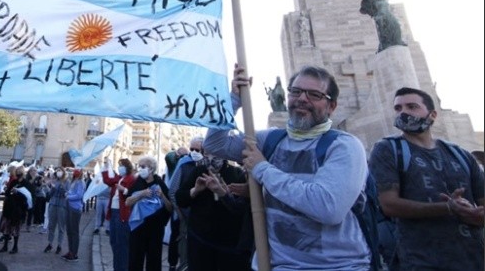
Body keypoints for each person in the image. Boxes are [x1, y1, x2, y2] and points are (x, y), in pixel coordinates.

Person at [204, 64, 371, 270]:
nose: (302, 98)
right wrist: (233, 99)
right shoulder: (270, 139)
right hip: (278, 265)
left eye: (314, 94)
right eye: (296, 91)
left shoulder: (345, 146)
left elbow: (328, 208)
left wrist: (263, 169)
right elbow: (215, 144)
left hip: (338, 266)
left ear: (331, 106)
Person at [369, 87, 485, 271]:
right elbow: (389, 204)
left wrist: (478, 216)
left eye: (412, 106)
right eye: (398, 108)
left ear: (432, 115)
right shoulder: (388, 150)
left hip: (473, 259)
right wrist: (447, 208)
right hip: (421, 261)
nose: (404, 112)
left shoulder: (461, 154)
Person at [176, 156, 252, 271]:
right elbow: (180, 199)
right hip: (199, 240)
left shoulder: (236, 173)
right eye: (207, 152)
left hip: (227, 244)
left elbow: (240, 208)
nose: (210, 156)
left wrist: (225, 193)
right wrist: (195, 191)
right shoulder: (199, 171)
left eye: (216, 153)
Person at [126, 155, 172, 271]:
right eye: (139, 166)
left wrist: (162, 196)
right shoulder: (137, 182)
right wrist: (142, 194)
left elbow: (170, 208)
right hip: (138, 228)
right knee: (135, 260)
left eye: (143, 166)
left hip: (155, 229)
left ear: (151, 168)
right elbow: (127, 202)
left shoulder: (160, 183)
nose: (140, 169)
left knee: (154, 261)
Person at [166, 136, 204, 271]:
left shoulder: (207, 166)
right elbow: (172, 191)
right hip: (182, 213)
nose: (194, 152)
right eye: (192, 149)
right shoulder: (184, 164)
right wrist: (179, 212)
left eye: (197, 149)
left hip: (200, 217)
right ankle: (173, 264)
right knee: (180, 243)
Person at [103, 158, 136, 271]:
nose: (119, 167)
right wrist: (106, 167)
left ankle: (122, 268)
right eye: (118, 165)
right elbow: (107, 180)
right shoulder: (119, 178)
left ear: (127, 167)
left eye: (121, 165)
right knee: (113, 241)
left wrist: (124, 190)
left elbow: (133, 194)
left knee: (122, 244)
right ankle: (116, 267)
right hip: (114, 213)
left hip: (123, 214)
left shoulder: (131, 179)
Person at [0, 165, 31, 254]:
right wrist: (8, 190)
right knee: (7, 228)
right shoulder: (14, 181)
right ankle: (5, 246)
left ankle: (15, 247)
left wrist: (17, 193)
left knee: (16, 229)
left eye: (20, 171)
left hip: (19, 209)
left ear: (23, 173)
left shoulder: (26, 183)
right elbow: (8, 193)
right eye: (17, 171)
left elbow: (26, 197)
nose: (18, 173)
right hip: (9, 208)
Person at [43, 166, 69, 254]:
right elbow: (50, 194)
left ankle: (59, 245)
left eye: (60, 171)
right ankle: (50, 244)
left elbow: (67, 194)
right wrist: (51, 188)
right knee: (51, 226)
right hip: (53, 204)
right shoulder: (55, 180)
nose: (58, 172)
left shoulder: (67, 182)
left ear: (63, 172)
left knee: (61, 227)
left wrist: (61, 188)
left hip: (62, 206)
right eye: (57, 171)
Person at [62, 168, 85, 262]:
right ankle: (70, 250)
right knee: (69, 230)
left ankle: (74, 253)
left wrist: (68, 197)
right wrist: (68, 193)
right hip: (69, 206)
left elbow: (79, 195)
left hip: (75, 208)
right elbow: (72, 192)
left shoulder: (80, 182)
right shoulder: (74, 181)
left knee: (74, 231)